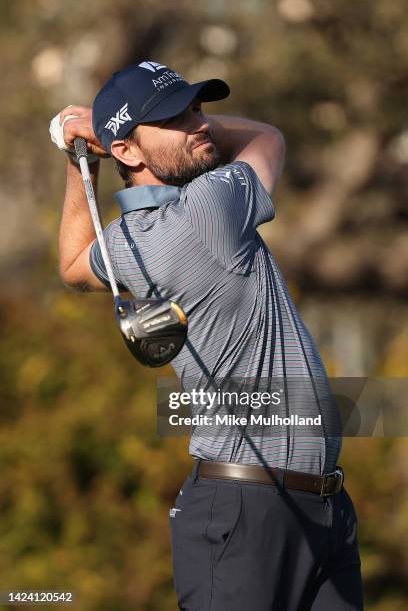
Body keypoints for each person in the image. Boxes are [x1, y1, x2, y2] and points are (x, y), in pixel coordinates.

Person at [50, 60, 363, 610]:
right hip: (247, 512)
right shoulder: (211, 207)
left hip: (317, 507)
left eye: (197, 107)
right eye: (175, 116)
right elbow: (267, 136)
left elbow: (75, 264)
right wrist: (103, 137)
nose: (199, 122)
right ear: (128, 151)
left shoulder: (131, 243)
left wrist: (83, 166)